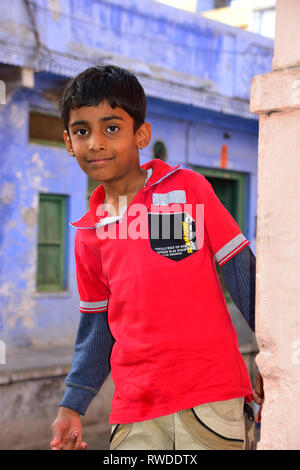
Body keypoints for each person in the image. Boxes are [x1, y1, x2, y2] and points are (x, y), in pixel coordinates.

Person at [51, 65, 263, 451]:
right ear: (68, 142)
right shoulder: (88, 232)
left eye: (111, 127)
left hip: (212, 399)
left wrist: (269, 353)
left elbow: (239, 270)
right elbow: (98, 325)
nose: (95, 142)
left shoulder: (186, 190)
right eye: (82, 131)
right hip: (135, 410)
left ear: (141, 134)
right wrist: (73, 404)